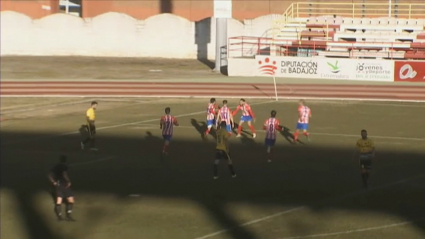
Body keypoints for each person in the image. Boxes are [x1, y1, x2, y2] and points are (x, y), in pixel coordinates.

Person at [48, 155, 75, 221]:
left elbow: (49, 175)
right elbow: (64, 174)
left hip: (58, 185)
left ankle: (59, 217)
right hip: (64, 185)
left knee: (58, 201)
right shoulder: (64, 166)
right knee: (71, 201)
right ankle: (68, 216)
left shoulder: (56, 166)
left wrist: (53, 182)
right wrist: (68, 181)